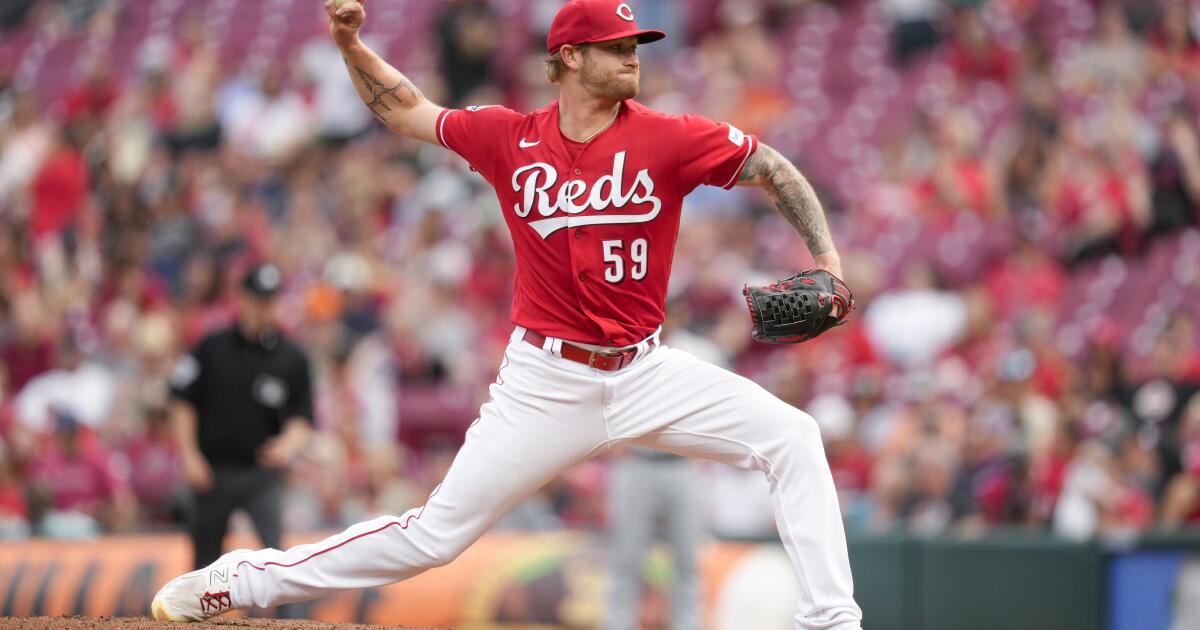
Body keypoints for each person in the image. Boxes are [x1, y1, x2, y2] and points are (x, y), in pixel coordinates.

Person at [152, 2, 863, 628]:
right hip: (547, 382)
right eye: (616, 47)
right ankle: (239, 580)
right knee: (433, 537)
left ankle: (831, 622)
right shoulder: (509, 137)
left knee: (793, 437)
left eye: (634, 47)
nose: (631, 58)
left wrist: (827, 259)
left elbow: (771, 166)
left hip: (648, 369)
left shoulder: (670, 137)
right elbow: (406, 110)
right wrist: (350, 48)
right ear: (569, 58)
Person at [168, 263, 314, 570]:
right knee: (204, 557)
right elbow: (182, 402)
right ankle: (198, 615)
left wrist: (287, 445)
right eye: (259, 299)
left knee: (277, 555)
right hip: (213, 471)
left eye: (271, 300)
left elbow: (302, 418)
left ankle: (288, 619)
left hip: (261, 471)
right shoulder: (211, 347)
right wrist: (189, 455)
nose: (266, 308)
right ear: (243, 299)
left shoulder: (292, 358)